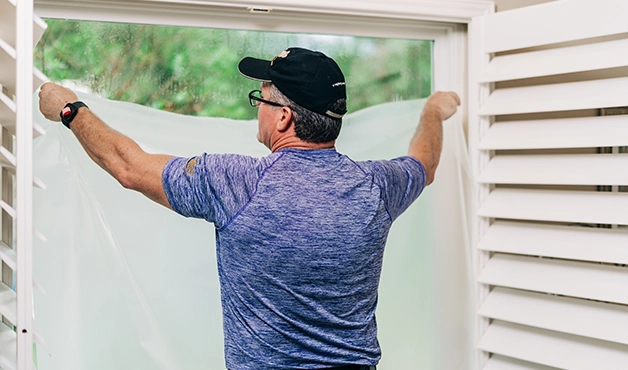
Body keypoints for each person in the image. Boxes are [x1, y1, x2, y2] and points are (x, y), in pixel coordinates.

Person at [39, 47, 460, 370]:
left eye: (261, 98)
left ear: (282, 119)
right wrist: (432, 112)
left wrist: (69, 109)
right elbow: (425, 162)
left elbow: (128, 166)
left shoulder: (237, 183)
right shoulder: (378, 187)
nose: (256, 106)